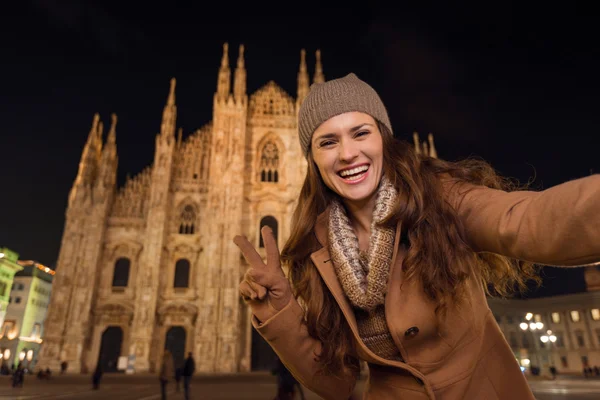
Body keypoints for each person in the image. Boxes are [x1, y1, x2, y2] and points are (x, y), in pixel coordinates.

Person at [233, 73, 600, 400]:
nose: (347, 154)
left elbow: (526, 221)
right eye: (327, 142)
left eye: (361, 133)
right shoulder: (315, 250)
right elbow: (337, 383)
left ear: (384, 139)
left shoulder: (437, 198)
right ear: (312, 159)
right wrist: (280, 313)